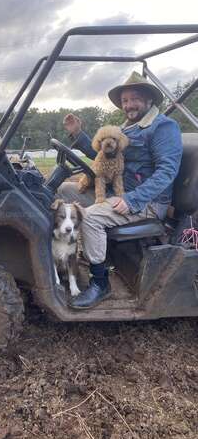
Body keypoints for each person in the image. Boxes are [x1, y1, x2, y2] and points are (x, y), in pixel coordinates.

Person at [61, 71, 183, 309]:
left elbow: (167, 172)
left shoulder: (162, 127)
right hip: (121, 193)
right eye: (125, 100)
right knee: (65, 191)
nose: (129, 104)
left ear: (149, 100)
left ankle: (100, 282)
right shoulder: (127, 128)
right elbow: (104, 156)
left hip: (147, 202)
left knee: (91, 217)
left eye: (135, 98)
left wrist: (132, 199)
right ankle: (67, 256)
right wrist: (78, 134)